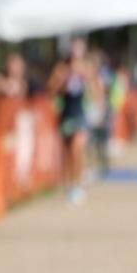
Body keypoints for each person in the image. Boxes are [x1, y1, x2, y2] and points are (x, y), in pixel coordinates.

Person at [47, 37, 92, 206]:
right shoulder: (62, 68)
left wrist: (86, 77)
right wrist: (62, 81)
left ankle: (77, 184)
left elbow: (97, 87)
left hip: (81, 113)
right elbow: (51, 89)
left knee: (77, 148)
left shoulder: (86, 68)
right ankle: (70, 183)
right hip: (66, 113)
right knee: (67, 152)